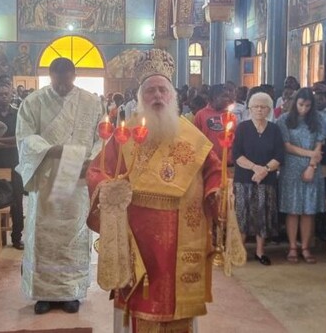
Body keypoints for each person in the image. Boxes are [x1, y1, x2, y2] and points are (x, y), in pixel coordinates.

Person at [86, 49, 223, 332]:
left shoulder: (191, 136)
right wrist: (106, 188)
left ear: (173, 96)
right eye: (150, 91)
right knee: (139, 297)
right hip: (137, 236)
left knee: (178, 301)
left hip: (184, 231)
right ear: (140, 97)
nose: (158, 96)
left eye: (163, 90)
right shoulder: (125, 134)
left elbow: (214, 170)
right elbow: (98, 170)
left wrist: (215, 191)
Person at [16, 57, 103, 314]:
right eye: (57, 81)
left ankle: (71, 292)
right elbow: (24, 137)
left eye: (66, 81)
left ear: (74, 76)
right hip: (46, 178)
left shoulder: (91, 102)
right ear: (50, 76)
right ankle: (43, 294)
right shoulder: (34, 101)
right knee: (44, 237)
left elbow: (102, 136)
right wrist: (50, 150)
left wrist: (93, 161)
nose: (62, 86)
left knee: (73, 234)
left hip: (76, 177)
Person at [232, 91, 284, 266]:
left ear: (269, 109)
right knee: (242, 215)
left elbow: (279, 155)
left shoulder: (274, 129)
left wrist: (265, 170)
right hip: (244, 179)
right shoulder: (242, 128)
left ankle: (260, 251)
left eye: (263, 107)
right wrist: (255, 168)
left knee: (263, 215)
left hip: (267, 180)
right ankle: (239, 250)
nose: (260, 110)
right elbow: (236, 154)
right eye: (256, 107)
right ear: (250, 109)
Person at [277, 87, 326, 264]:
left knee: (308, 210)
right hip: (291, 168)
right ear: (295, 103)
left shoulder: (318, 119)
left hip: (312, 168)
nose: (304, 109)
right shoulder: (284, 120)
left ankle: (305, 247)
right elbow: (287, 146)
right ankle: (292, 247)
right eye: (301, 105)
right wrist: (310, 154)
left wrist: (312, 165)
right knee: (293, 210)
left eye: (307, 106)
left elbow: (319, 145)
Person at [0, 84, 25, 250]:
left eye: (6, 94)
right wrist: (4, 143)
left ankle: (17, 237)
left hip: (14, 163)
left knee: (17, 201)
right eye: (0, 94)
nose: (3, 96)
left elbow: (19, 138)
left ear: (11, 96)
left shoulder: (18, 115)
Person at [194, 84, 235, 166]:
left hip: (226, 163)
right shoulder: (201, 114)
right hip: (207, 162)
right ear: (214, 97)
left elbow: (234, 138)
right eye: (224, 96)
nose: (228, 99)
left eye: (227, 96)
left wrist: (230, 158)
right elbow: (196, 138)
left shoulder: (230, 116)